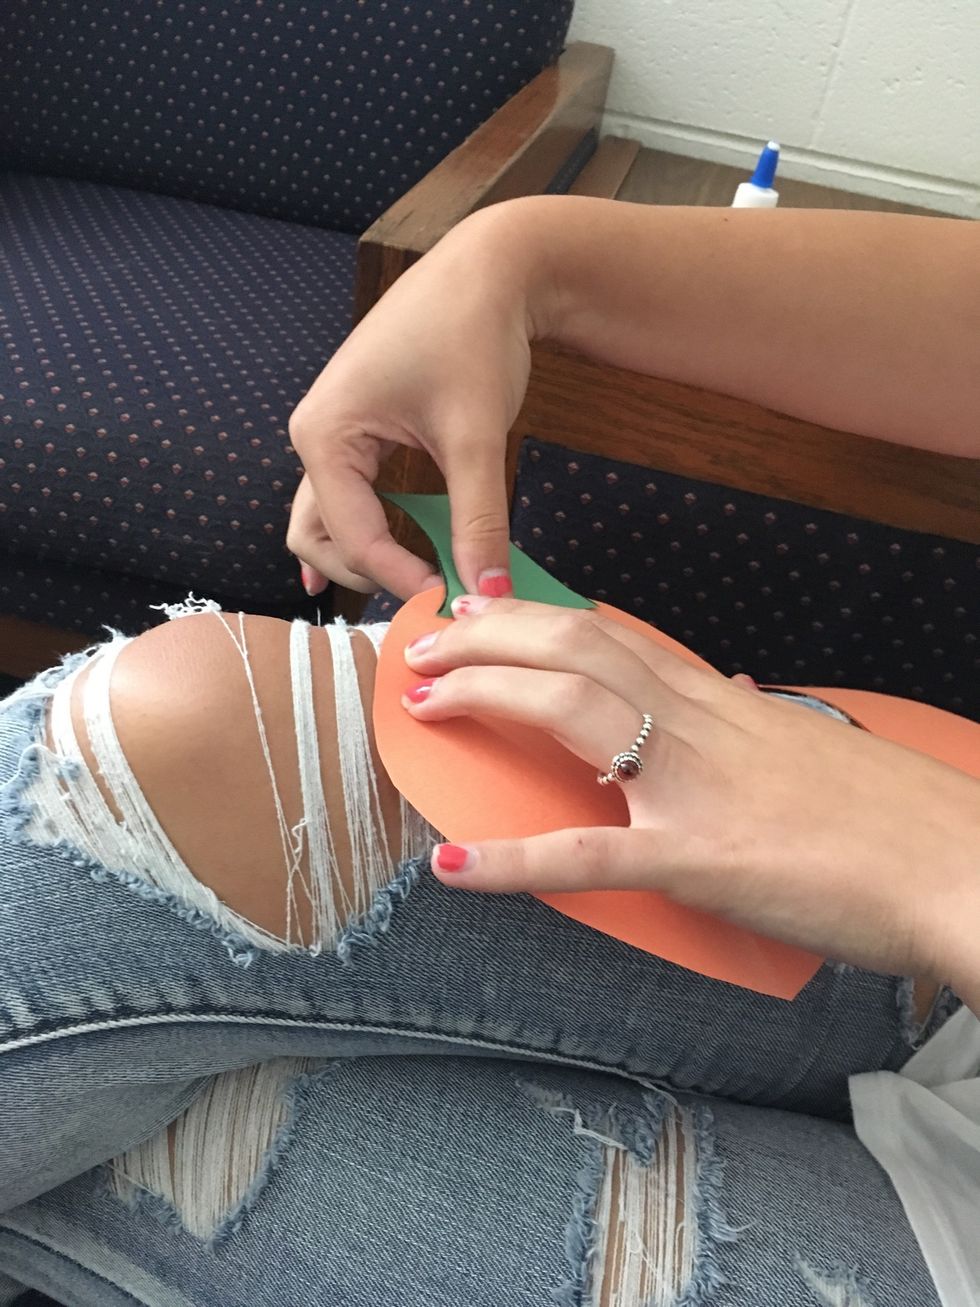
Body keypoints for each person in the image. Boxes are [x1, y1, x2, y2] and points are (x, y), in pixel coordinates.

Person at [0, 200, 977, 1307]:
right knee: (170, 751)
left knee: (174, 1147)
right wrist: (520, 262)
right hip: (914, 847)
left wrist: (945, 869)